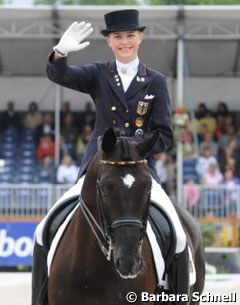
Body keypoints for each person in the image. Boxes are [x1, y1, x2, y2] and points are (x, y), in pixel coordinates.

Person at [32, 10, 188, 305]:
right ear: (109, 42)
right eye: (118, 37)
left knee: (178, 234)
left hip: (140, 172)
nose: (124, 42)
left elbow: (165, 134)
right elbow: (59, 74)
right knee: (43, 230)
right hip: (99, 168)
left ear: (140, 38)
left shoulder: (155, 81)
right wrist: (60, 52)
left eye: (130, 35)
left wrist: (135, 148)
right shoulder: (99, 73)